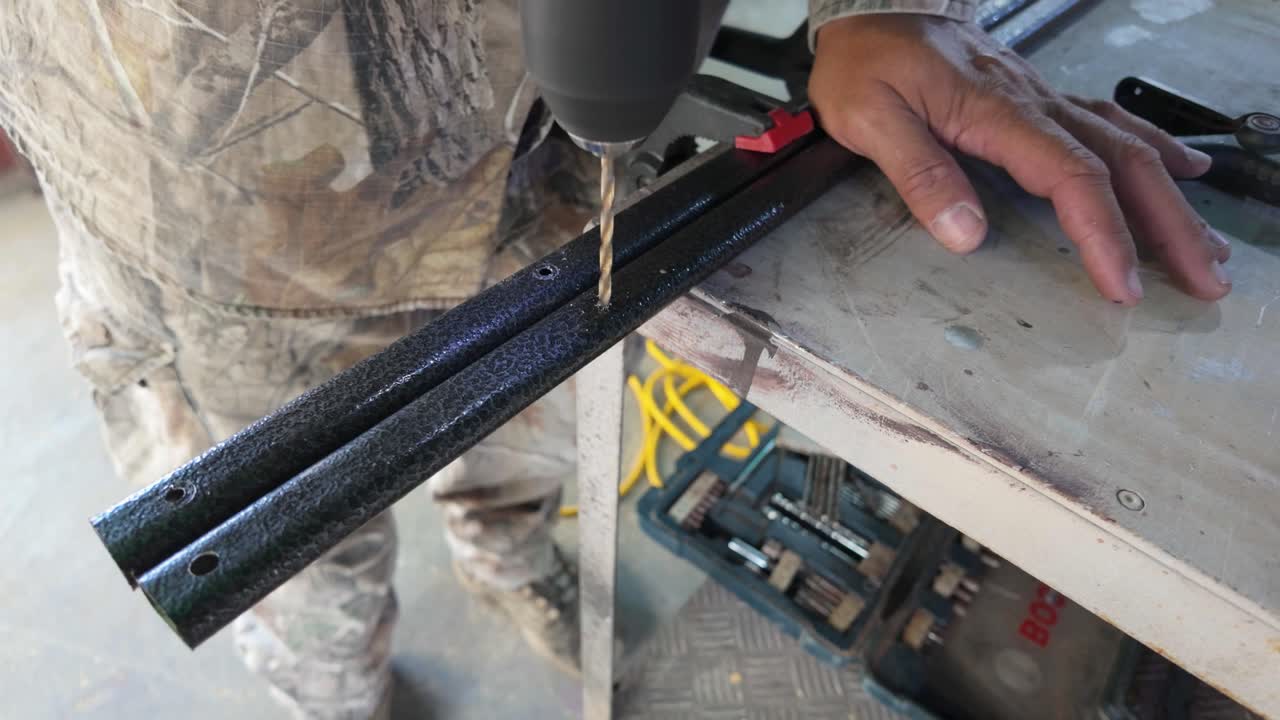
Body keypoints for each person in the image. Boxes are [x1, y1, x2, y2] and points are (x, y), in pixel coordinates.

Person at [0, 1, 1230, 717]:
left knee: (521, 420)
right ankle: (338, 689)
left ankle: (505, 556)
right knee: (290, 547)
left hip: (516, 156)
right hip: (200, 199)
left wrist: (867, 4)